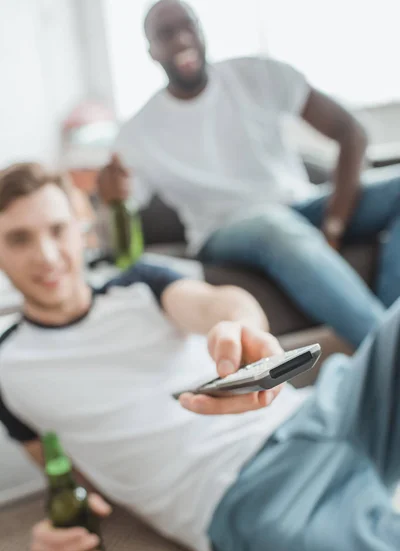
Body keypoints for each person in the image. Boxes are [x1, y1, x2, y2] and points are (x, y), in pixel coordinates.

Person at [1, 163, 400, 551]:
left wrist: (242, 328)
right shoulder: (8, 370)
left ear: (82, 231)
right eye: (18, 239)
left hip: (328, 407)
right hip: (254, 499)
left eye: (57, 230)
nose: (46, 255)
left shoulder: (140, 283)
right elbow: (71, 480)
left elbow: (218, 304)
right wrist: (63, 534)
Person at [99, 0, 400, 349]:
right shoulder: (137, 134)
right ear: (151, 50)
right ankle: (389, 353)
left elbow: (352, 132)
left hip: (301, 207)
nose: (181, 38)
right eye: (166, 33)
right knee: (271, 224)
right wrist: (111, 200)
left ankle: (390, 328)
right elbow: (119, 232)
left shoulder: (257, 74)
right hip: (226, 231)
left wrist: (333, 226)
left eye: (189, 25)